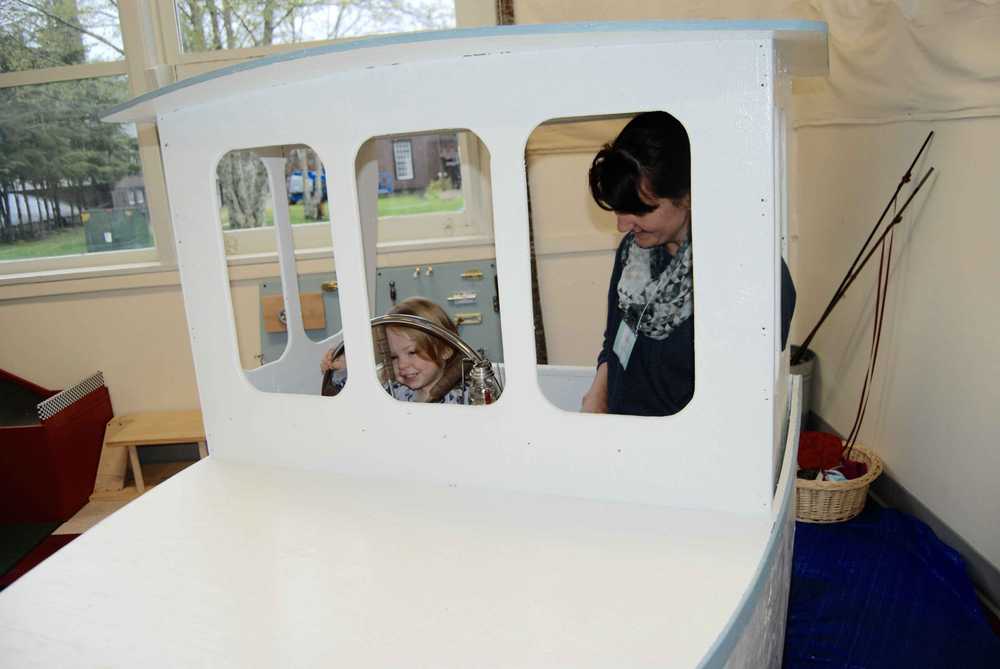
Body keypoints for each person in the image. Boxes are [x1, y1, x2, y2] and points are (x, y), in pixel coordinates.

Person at [580, 111, 795, 416]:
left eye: (639, 210)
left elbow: (742, 399)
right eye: (619, 210)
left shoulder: (748, 271)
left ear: (688, 195)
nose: (622, 225)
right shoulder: (633, 253)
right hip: (624, 437)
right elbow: (615, 340)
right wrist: (597, 397)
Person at [321, 296, 466, 404]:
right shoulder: (394, 391)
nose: (402, 365)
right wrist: (342, 369)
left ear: (445, 349)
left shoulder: (465, 398)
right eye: (393, 357)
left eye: (412, 352)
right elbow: (352, 397)